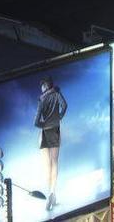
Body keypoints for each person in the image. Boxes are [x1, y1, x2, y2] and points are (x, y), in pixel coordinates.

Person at [34, 76, 68, 209]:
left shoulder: (41, 99)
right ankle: (53, 192)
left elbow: (36, 122)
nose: (41, 87)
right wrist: (58, 117)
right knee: (55, 162)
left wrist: (44, 124)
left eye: (42, 85)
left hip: (44, 133)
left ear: (45, 85)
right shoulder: (57, 94)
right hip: (55, 130)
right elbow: (64, 106)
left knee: (47, 165)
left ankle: (49, 193)